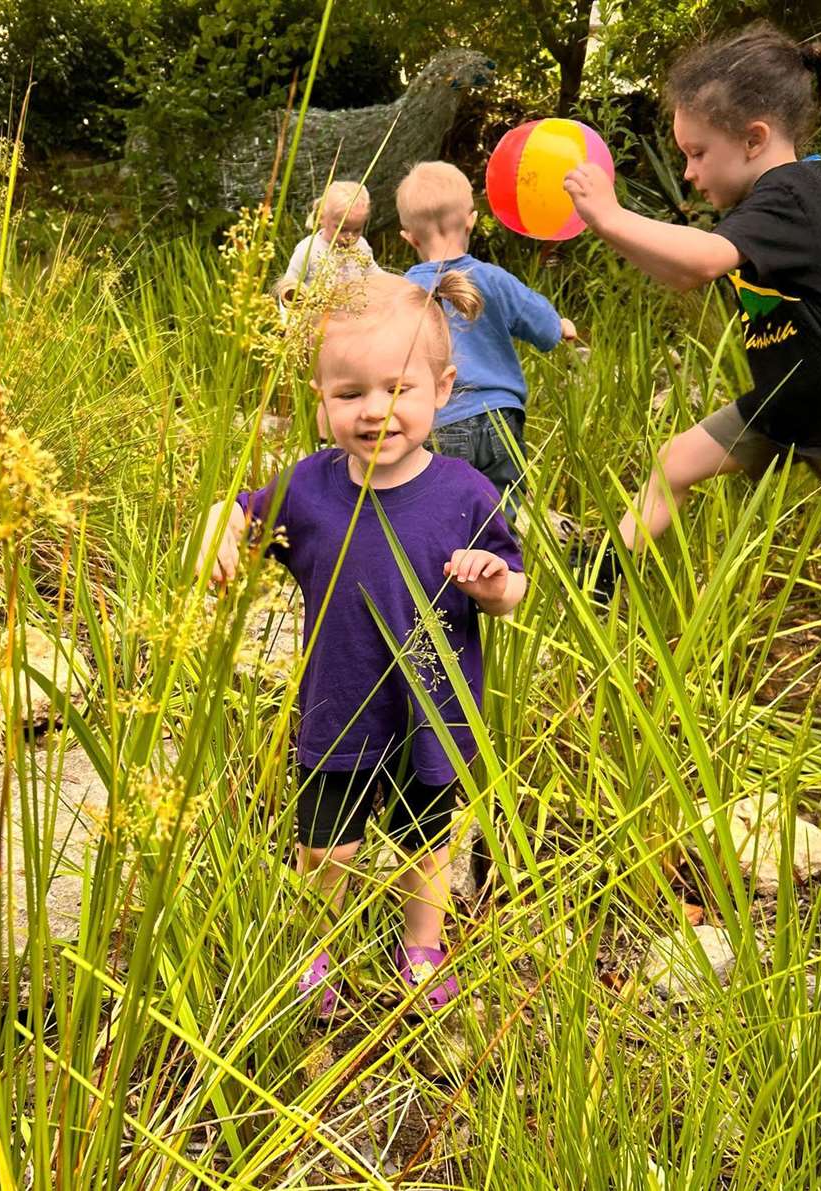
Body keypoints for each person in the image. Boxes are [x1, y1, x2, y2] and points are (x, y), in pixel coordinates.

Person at [196, 272, 526, 1017]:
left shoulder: (466, 491)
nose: (375, 410)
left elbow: (514, 586)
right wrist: (221, 525)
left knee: (425, 846)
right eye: (349, 395)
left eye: (397, 389)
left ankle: (422, 945)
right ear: (320, 400)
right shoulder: (309, 490)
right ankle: (318, 953)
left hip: (431, 711)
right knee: (326, 849)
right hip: (338, 706)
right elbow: (243, 513)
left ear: (442, 389)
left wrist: (490, 583)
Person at [563, 23, 821, 607]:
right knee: (676, 463)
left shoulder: (793, 194)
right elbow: (680, 270)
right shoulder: (770, 202)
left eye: (697, 153)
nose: (688, 172)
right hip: (784, 406)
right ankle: (601, 581)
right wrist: (607, 224)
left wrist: (610, 216)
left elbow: (698, 263)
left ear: (754, 138)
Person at [397, 160, 576, 505]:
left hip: (438, 422)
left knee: (443, 511)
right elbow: (544, 329)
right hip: (500, 420)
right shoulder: (492, 279)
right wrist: (561, 326)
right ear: (471, 220)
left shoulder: (404, 292)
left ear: (409, 237)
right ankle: (498, 558)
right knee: (500, 511)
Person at [282, 180, 380, 291]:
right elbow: (289, 286)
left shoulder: (361, 245)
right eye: (342, 229)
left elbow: (374, 273)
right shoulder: (308, 250)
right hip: (316, 306)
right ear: (321, 218)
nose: (349, 237)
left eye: (357, 230)